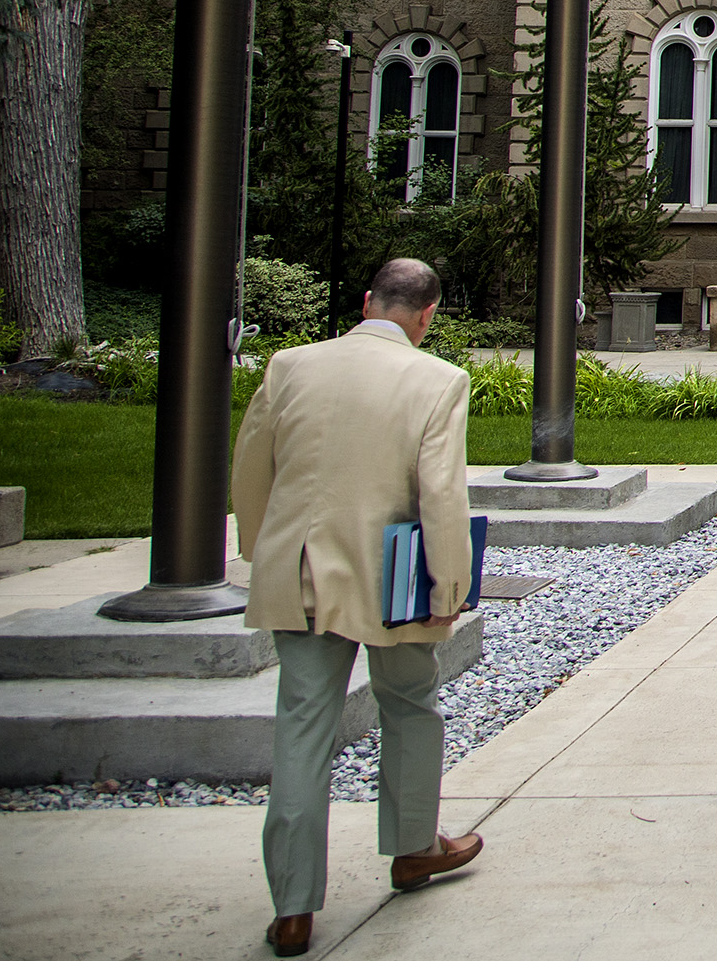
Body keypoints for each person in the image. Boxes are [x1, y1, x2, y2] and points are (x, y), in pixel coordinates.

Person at [232, 257, 485, 956]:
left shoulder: (291, 365)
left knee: (303, 727)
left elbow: (251, 464)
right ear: (428, 316)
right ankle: (412, 848)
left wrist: (262, 548)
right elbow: (442, 496)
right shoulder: (438, 380)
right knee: (409, 704)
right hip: (393, 580)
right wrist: (450, 588)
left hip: (303, 572)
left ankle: (292, 908)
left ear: (368, 301)